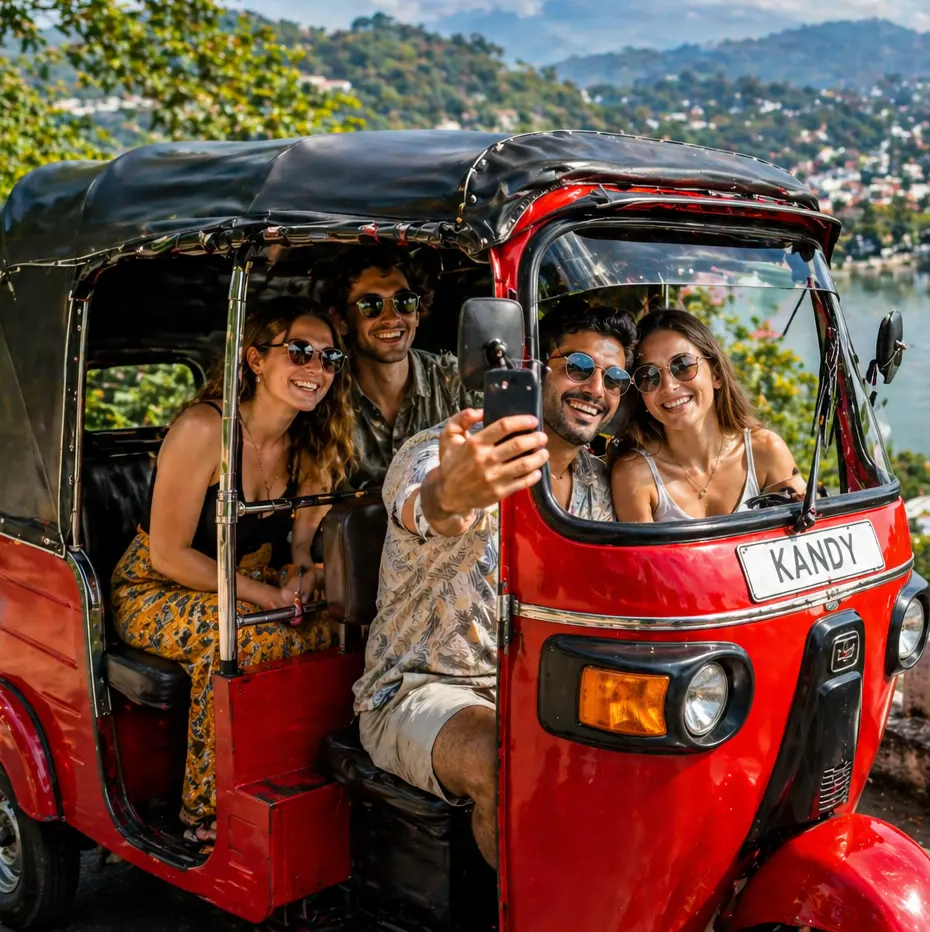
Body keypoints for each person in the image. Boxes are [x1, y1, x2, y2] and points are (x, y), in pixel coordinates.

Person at [353, 301, 637, 866]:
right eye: (578, 365)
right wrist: (455, 492)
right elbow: (433, 503)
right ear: (533, 367)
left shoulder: (600, 483)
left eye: (616, 377)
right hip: (421, 691)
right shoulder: (444, 451)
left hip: (543, 687)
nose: (596, 388)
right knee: (503, 761)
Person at [111, 297, 354, 847]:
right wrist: (260, 596)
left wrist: (300, 576)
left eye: (329, 358)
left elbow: (298, 544)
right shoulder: (206, 429)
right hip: (157, 587)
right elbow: (167, 554)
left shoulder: (311, 440)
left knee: (334, 628)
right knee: (237, 637)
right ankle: (205, 814)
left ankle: (299, 783)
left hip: (250, 583)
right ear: (254, 359)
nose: (316, 369)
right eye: (299, 352)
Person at [612, 309, 804, 522]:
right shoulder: (634, 476)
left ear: (716, 375)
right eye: (649, 375)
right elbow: (640, 557)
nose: (668, 386)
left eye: (682, 365)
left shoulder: (765, 451)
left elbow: (799, 539)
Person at [325, 246, 481, 491]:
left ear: (417, 313)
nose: (391, 317)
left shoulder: (458, 381)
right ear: (340, 321)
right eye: (371, 305)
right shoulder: (324, 393)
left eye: (404, 302)